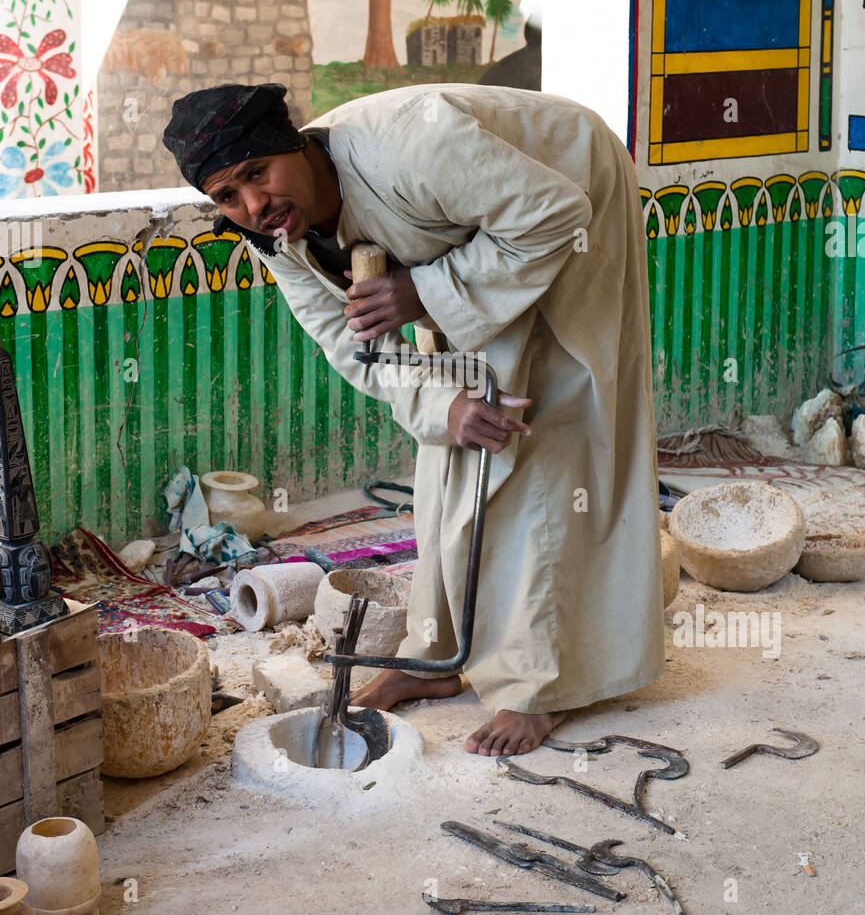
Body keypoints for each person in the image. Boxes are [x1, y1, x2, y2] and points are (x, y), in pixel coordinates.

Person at [163, 82, 665, 756]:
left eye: (258, 174)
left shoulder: (412, 145)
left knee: (541, 436)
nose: (253, 206)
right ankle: (435, 652)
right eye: (227, 196)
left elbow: (552, 213)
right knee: (452, 445)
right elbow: (350, 343)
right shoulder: (273, 237)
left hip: (569, 199)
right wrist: (445, 405)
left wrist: (421, 291)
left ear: (296, 147)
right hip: (479, 245)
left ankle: (536, 687)